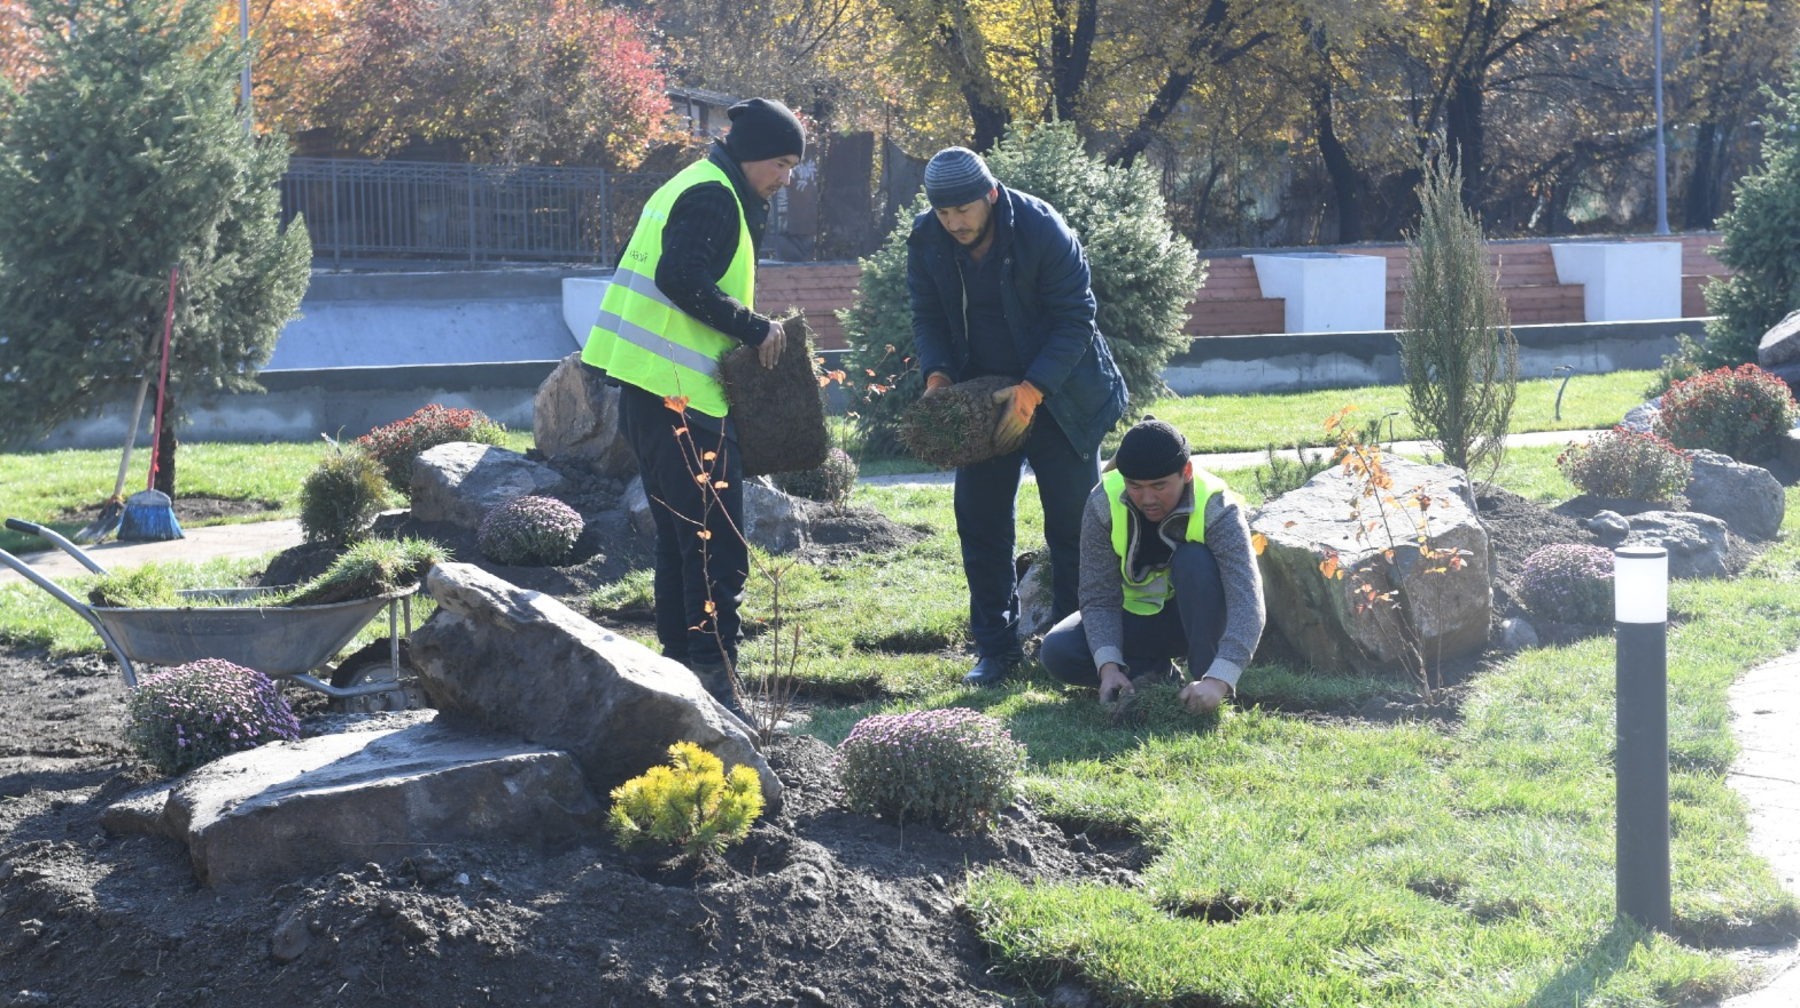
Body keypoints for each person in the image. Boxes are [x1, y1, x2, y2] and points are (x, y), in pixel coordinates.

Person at [580, 97, 805, 717]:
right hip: (681, 398)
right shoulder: (713, 195)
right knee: (715, 547)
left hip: (657, 394)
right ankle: (714, 682)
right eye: (782, 164)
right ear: (754, 152)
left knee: (685, 541)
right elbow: (681, 277)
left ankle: (682, 675)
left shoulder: (699, 183)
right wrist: (753, 327)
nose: (786, 179)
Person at [908, 146, 1128, 687]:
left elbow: (1077, 318)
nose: (955, 223)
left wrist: (1031, 392)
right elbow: (927, 313)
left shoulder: (1040, 228)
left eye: (963, 210)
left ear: (990, 195)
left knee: (1076, 528)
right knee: (980, 524)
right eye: (944, 213)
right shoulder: (927, 237)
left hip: (1062, 395)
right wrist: (938, 378)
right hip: (981, 403)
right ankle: (996, 650)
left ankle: (1077, 649)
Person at [1040, 417, 1266, 714]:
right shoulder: (1103, 502)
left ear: (1186, 472)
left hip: (1196, 622)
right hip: (1134, 622)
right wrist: (1108, 667)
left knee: (1194, 561)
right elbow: (1098, 597)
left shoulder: (1216, 506)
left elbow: (1247, 602)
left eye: (1159, 486)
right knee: (1058, 652)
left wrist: (1220, 678)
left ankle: (1205, 686)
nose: (1147, 499)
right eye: (1135, 486)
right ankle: (1161, 674)